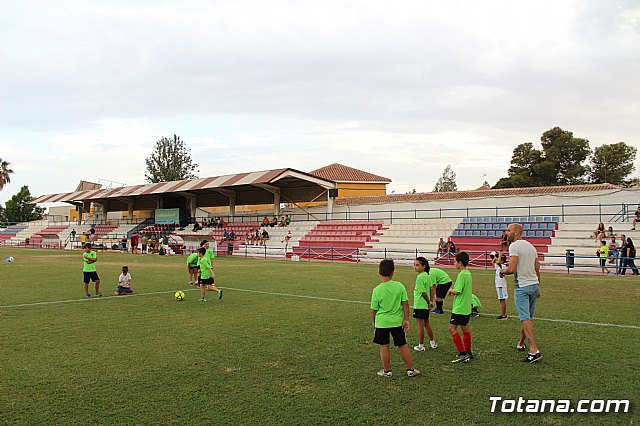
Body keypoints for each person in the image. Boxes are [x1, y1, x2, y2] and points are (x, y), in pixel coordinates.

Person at [370, 259, 421, 378]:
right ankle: (410, 369)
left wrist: (374, 322)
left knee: (384, 345)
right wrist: (406, 319)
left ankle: (387, 371)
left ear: (379, 272)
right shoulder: (399, 286)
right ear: (393, 272)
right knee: (402, 344)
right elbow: (405, 304)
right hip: (397, 322)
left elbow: (374, 310)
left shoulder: (377, 290)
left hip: (382, 323)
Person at [500, 223, 542, 363]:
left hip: (522, 287)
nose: (506, 232)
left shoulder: (514, 246)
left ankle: (534, 350)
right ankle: (520, 343)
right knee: (527, 317)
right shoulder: (531, 247)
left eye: (509, 230)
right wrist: (538, 285)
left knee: (525, 318)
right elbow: (537, 268)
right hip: (534, 285)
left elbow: (512, 268)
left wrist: (502, 271)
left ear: (517, 232)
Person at [448, 252, 474, 363]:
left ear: (460, 263)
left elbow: (457, 291)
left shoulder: (462, 275)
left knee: (452, 328)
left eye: (455, 262)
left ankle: (462, 353)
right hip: (466, 307)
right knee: (465, 328)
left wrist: (449, 290)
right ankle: (468, 351)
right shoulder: (468, 273)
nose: (454, 263)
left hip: (459, 308)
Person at [412, 257, 438, 352]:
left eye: (417, 265)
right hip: (425, 306)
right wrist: (431, 301)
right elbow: (431, 289)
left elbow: (423, 292)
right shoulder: (427, 275)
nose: (415, 267)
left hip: (420, 305)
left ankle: (421, 345)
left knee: (420, 325)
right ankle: (432, 342)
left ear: (424, 266)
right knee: (427, 323)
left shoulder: (420, 277)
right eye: (414, 264)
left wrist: (428, 302)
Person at [492, 252, 508, 320]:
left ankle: (504, 315)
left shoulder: (502, 266)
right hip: (499, 285)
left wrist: (500, 255)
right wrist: (495, 257)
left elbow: (498, 262)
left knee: (502, 300)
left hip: (501, 285)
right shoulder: (499, 266)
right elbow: (493, 262)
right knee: (501, 299)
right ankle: (503, 314)